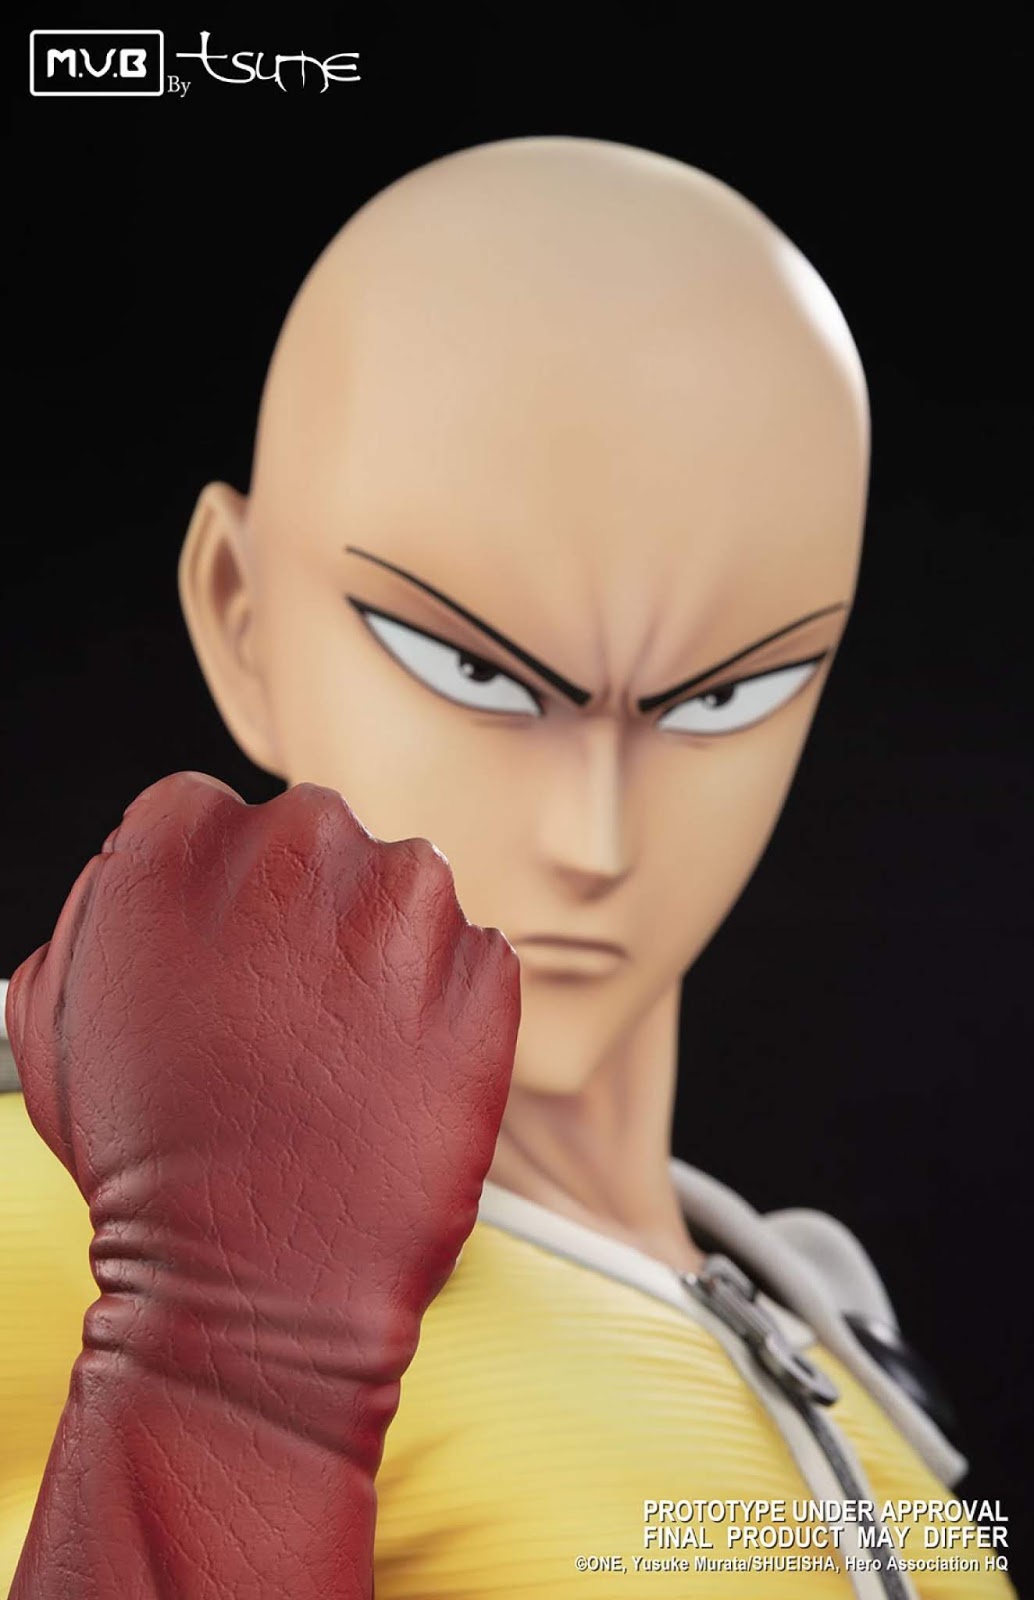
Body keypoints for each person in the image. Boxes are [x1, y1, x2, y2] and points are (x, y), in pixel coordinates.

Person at [0, 137, 1014, 1598]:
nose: (595, 841)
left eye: (728, 693)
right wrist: (223, 1341)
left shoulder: (831, 1326)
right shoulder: (75, 1244)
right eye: (469, 668)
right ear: (238, 615)